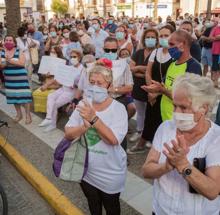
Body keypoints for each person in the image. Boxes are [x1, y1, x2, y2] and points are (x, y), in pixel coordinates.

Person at [142, 73, 220, 215]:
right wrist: (165, 167)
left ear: (204, 108)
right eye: (174, 105)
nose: (176, 112)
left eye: (183, 107)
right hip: (161, 211)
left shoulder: (216, 139)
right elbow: (146, 170)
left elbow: (212, 191)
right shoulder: (166, 128)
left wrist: (183, 165)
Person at [65, 65, 128, 215]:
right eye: (92, 82)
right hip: (86, 169)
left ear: (109, 85)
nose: (95, 86)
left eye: (100, 83)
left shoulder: (118, 109)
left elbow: (112, 140)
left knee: (112, 207)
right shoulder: (83, 104)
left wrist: (93, 119)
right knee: (93, 204)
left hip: (110, 172)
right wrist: (83, 128)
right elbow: (68, 133)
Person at [128, 25, 174, 152]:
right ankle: (143, 144)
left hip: (166, 93)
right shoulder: (156, 52)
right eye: (162, 36)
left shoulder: (175, 54)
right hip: (153, 91)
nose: (164, 38)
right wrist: (151, 90)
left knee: (163, 121)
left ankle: (159, 147)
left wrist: (158, 92)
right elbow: (148, 72)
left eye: (167, 35)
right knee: (149, 118)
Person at [143, 29, 202, 123]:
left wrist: (162, 90)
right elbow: (165, 84)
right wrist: (155, 90)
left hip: (180, 121)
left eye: (171, 44)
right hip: (166, 117)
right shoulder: (173, 63)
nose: (168, 47)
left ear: (182, 45)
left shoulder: (193, 66)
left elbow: (188, 99)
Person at [127, 29, 158, 151]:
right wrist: (143, 70)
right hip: (137, 87)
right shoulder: (138, 52)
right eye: (148, 37)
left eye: (152, 37)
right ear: (144, 39)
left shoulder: (158, 53)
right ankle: (140, 132)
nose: (150, 39)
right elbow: (131, 68)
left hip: (151, 87)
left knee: (151, 114)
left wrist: (138, 69)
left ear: (156, 39)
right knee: (140, 112)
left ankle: (150, 137)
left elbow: (154, 70)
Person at [38, 49, 84, 132]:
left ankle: (52, 124)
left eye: (74, 57)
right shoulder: (69, 68)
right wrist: (47, 84)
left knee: (55, 104)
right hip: (63, 88)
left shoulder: (82, 70)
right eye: (71, 57)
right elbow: (58, 78)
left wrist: (75, 85)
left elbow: (82, 85)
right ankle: (48, 118)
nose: (72, 58)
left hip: (71, 92)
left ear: (79, 57)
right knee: (50, 96)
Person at [0, 35, 32, 124]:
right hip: (10, 80)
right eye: (6, 40)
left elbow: (22, 63)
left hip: (21, 79)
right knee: (13, 97)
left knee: (25, 97)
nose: (8, 42)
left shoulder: (19, 51)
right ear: (3, 42)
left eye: (10, 40)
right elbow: (1, 65)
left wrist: (8, 60)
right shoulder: (2, 52)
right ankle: (19, 114)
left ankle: (28, 115)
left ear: (14, 43)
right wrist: (9, 61)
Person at [209, 18, 220, 87]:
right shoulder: (215, 29)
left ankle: (216, 81)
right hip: (216, 51)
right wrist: (217, 37)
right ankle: (213, 81)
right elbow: (210, 38)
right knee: (214, 67)